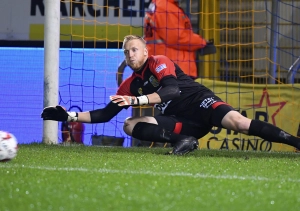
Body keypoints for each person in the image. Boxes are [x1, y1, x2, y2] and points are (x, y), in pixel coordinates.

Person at [41, 35, 300, 155]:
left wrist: (138, 101)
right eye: (126, 52)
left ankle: (296, 142)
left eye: (134, 50)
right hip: (182, 122)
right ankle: (183, 141)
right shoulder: (130, 84)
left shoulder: (158, 61)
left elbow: (172, 90)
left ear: (145, 51)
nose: (130, 55)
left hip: (200, 102)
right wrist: (69, 115)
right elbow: (105, 114)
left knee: (240, 123)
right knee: (130, 125)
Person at [144, 0, 213, 78]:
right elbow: (176, 38)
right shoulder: (166, 7)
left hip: (164, 66)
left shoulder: (159, 5)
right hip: (175, 67)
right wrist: (202, 42)